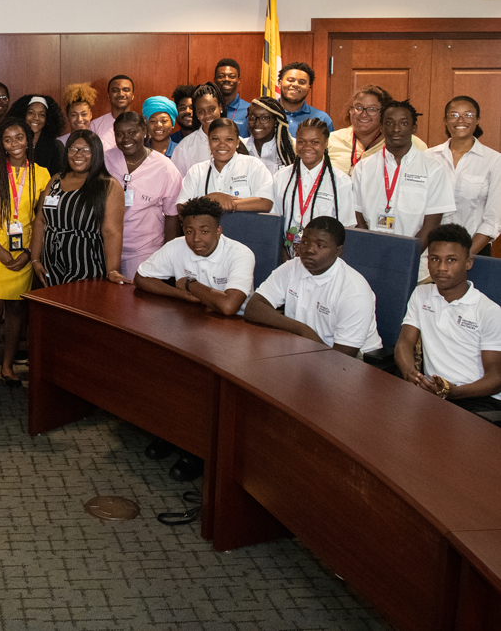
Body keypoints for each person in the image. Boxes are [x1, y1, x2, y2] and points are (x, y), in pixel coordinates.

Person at [134, 196, 255, 481]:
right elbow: (142, 278)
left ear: (218, 231)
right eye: (189, 231)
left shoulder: (240, 253)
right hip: (194, 325)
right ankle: (173, 435)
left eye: (203, 231)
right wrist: (183, 296)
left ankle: (198, 451)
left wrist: (189, 283)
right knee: (171, 374)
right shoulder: (177, 247)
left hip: (234, 334)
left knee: (207, 389)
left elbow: (228, 306)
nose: (195, 238)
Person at [0, 117, 51, 388]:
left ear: (28, 139)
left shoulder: (41, 174)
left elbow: (42, 218)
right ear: (1, 144)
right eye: (8, 139)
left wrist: (29, 253)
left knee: (17, 308)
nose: (14, 143)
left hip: (24, 251)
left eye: (19, 138)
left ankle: (7, 366)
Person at [394, 223, 501, 418]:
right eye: (435, 259)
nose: (441, 267)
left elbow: (496, 378)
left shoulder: (489, 311)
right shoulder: (421, 294)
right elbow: (404, 343)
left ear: (468, 263)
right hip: (433, 394)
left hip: (478, 401)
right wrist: (411, 374)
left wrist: (456, 392)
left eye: (451, 260)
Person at [245, 216, 381, 358]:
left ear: (338, 251)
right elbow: (254, 308)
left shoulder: (354, 290)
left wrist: (306, 337)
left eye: (320, 245)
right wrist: (303, 330)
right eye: (304, 242)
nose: (309, 250)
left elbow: (342, 359)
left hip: (357, 363)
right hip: (305, 349)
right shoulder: (292, 267)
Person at [31, 129, 124, 288]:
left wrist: (112, 271)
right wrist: (35, 259)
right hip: (50, 265)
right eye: (73, 149)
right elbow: (40, 220)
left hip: (87, 267)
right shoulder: (56, 180)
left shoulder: (108, 185)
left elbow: (111, 232)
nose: (78, 154)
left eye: (86, 150)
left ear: (96, 153)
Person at [353, 100, 454, 244]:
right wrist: (371, 250)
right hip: (372, 252)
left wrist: (407, 257)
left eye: (404, 123)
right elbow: (358, 216)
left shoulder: (433, 169)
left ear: (414, 128)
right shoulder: (363, 167)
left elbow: (432, 225)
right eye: (389, 123)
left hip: (416, 258)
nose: (396, 129)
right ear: (381, 127)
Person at [105, 111, 182, 277]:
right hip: (105, 247)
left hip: (145, 252)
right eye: (120, 134)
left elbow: (172, 215)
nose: (126, 139)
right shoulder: (105, 160)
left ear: (145, 132)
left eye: (132, 132)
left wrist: (167, 256)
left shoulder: (165, 167)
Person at [428, 95, 501, 256]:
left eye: (468, 115)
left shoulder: (494, 161)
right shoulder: (428, 157)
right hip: (431, 252)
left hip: (475, 252)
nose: (460, 120)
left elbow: (493, 220)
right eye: (453, 115)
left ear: (477, 120)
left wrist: (464, 256)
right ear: (445, 121)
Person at [272, 117, 355, 257]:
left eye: (315, 142)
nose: (307, 147)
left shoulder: (340, 182)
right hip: (287, 256)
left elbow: (345, 229)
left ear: (326, 144)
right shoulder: (280, 177)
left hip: (324, 260)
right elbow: (274, 224)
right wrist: (282, 255)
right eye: (301, 142)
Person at [178, 118, 274, 213]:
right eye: (216, 139)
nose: (222, 145)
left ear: (237, 142)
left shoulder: (253, 165)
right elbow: (181, 207)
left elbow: (266, 203)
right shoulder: (197, 171)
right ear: (209, 141)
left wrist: (227, 203)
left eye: (229, 139)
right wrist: (210, 199)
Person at [328, 84, 426, 176]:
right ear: (350, 111)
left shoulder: (411, 143)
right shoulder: (330, 140)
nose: (363, 114)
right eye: (358, 107)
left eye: (372, 109)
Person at [170, 82, 223, 177]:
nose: (207, 115)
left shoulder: (236, 141)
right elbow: (177, 185)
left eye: (211, 109)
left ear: (220, 107)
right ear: (196, 115)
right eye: (201, 111)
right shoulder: (184, 147)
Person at [7, 94, 65, 176]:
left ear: (47, 119)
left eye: (42, 115)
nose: (36, 118)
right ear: (23, 115)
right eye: (31, 113)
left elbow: (58, 178)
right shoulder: (13, 143)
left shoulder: (55, 147)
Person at [243, 96, 296, 176]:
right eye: (252, 117)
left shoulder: (292, 147)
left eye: (264, 118)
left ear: (275, 121)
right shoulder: (240, 147)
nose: (257, 123)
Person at [277, 62, 332, 136]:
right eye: (290, 80)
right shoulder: (266, 114)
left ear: (309, 88)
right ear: (280, 84)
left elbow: (329, 147)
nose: (295, 84)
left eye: (302, 82)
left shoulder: (322, 119)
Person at [89, 74, 136, 151]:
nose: (121, 94)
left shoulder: (141, 124)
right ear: (108, 96)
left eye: (126, 90)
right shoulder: (95, 126)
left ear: (132, 95)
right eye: (115, 90)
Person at [214, 58, 249, 136]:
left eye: (232, 77)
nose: (226, 79)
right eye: (221, 76)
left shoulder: (249, 110)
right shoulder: (210, 110)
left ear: (238, 80)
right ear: (215, 80)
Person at [169, 84, 199, 148]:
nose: (187, 111)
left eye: (192, 108)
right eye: (182, 108)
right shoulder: (170, 141)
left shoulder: (208, 140)